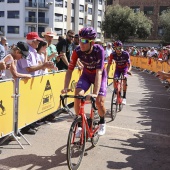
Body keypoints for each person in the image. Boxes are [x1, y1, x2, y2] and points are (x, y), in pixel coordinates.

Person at [61, 27, 107, 136]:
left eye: (85, 41)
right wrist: (66, 86)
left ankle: (102, 122)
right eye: (80, 40)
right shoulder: (77, 51)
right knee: (77, 95)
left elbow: (99, 72)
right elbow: (69, 70)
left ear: (92, 42)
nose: (81, 43)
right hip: (86, 75)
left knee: (99, 102)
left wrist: (95, 93)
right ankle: (80, 124)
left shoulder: (99, 50)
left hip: (98, 76)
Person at [107, 40, 132, 105]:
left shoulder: (125, 53)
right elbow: (109, 65)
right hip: (118, 69)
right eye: (116, 48)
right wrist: (106, 74)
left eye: (119, 48)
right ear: (114, 48)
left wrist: (128, 71)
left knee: (124, 79)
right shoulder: (112, 54)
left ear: (121, 47)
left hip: (124, 68)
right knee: (115, 79)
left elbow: (130, 65)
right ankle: (116, 95)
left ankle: (124, 97)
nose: (118, 50)